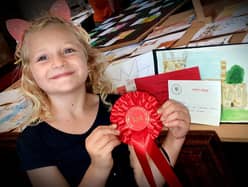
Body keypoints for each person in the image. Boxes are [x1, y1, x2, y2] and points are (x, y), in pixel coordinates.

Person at [15, 15, 190, 187]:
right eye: (42, 58)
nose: (59, 62)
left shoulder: (123, 107)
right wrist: (98, 168)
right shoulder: (32, 141)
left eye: (68, 50)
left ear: (88, 60)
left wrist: (176, 138)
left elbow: (148, 181)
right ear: (30, 74)